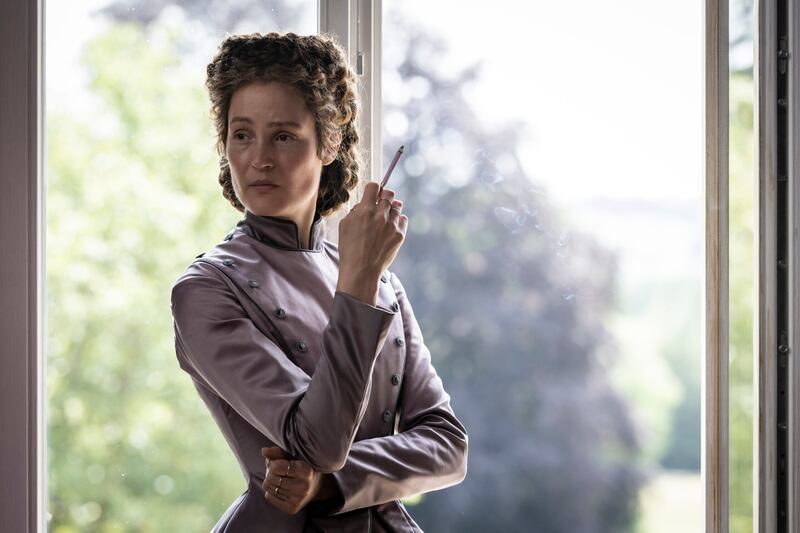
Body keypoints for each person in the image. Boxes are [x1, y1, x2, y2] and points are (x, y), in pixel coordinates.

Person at [170, 32, 468, 532]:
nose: (258, 158)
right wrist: (357, 283)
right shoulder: (206, 289)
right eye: (242, 134)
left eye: (283, 136)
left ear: (329, 143)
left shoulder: (377, 278)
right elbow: (318, 443)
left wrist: (331, 484)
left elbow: (448, 446)